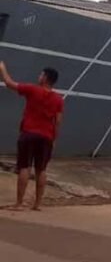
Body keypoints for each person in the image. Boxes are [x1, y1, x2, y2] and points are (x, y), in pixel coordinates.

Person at [0, 61, 64, 210]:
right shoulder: (58, 99)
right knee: (41, 169)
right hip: (46, 136)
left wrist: (3, 69)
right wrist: (54, 139)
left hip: (29, 133)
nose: (39, 76)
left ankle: (19, 203)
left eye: (41, 74)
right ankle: (37, 204)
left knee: (24, 167)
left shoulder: (32, 90)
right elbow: (58, 121)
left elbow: (10, 84)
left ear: (45, 78)